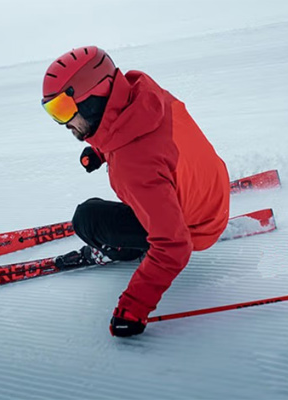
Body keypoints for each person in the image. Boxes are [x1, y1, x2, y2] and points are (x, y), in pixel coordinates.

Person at [41, 46, 230, 337]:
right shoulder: (146, 95)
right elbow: (125, 127)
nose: (63, 124)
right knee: (137, 197)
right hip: (211, 191)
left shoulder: (135, 167)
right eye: (52, 111)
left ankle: (123, 250)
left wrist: (133, 309)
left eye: (63, 110)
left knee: (87, 218)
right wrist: (101, 151)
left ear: (92, 99)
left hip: (194, 228)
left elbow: (174, 247)